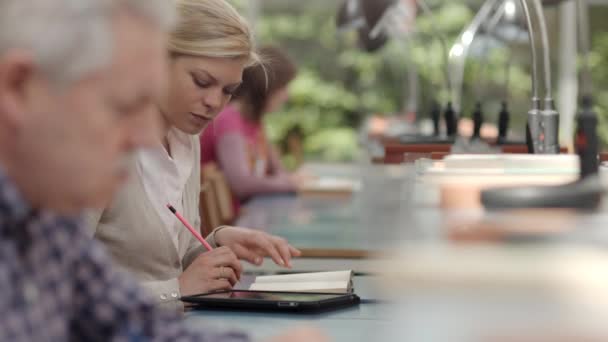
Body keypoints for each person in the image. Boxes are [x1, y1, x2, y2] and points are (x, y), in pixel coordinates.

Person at [0, 0, 326, 341]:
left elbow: (131, 320)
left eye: (228, 91)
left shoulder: (42, 222)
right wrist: (177, 289)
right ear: (19, 89)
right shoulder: (50, 202)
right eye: (123, 105)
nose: (145, 136)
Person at [86, 0, 301, 310]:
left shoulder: (187, 139)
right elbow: (55, 294)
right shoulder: (93, 149)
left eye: (229, 90)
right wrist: (176, 290)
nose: (215, 102)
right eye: (202, 82)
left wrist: (217, 242)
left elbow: (176, 257)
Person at [200, 46, 304, 214]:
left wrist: (290, 179)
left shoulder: (255, 122)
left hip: (251, 214)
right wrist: (291, 182)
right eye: (283, 87)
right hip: (235, 223)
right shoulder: (229, 120)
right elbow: (242, 183)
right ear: (266, 87)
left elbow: (279, 171)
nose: (287, 95)